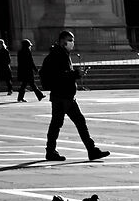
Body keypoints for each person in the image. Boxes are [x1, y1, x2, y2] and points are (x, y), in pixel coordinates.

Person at [38, 29, 109, 162]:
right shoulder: (58, 55)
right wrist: (76, 74)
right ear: (62, 41)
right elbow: (60, 75)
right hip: (62, 96)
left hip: (65, 95)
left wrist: (76, 73)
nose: (72, 43)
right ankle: (52, 151)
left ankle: (90, 150)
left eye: (73, 40)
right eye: (70, 40)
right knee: (60, 123)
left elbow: (63, 74)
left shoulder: (61, 53)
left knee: (72, 122)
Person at [15, 36, 40, 103]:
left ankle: (39, 95)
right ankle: (39, 95)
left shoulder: (20, 52)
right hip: (28, 71)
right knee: (28, 84)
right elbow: (30, 62)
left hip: (22, 71)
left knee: (27, 84)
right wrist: (35, 69)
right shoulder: (27, 52)